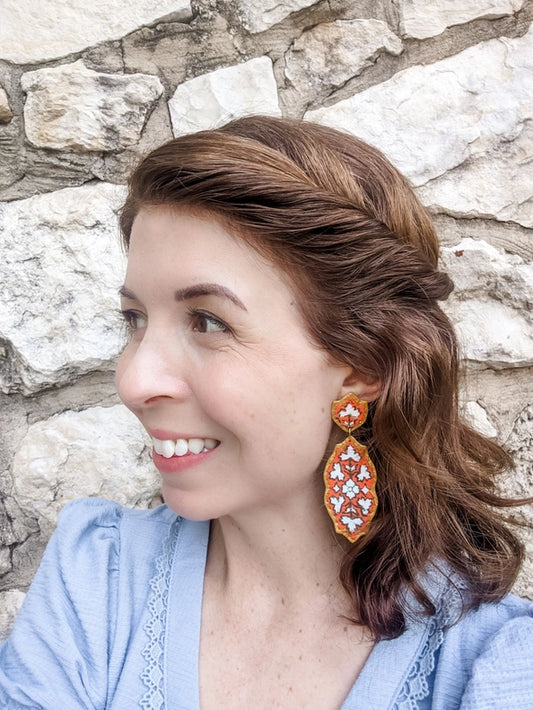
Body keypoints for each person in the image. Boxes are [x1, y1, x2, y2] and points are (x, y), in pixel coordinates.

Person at [0, 115, 532, 709]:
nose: (133, 381)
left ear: (363, 366)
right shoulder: (98, 577)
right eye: (136, 319)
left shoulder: (494, 667)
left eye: (208, 322)